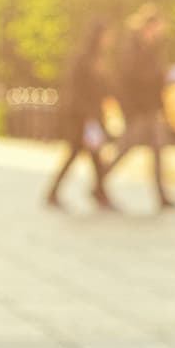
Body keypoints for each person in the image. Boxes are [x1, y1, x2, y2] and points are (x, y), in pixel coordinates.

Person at [102, 5, 175, 210]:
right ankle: (99, 181)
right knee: (125, 148)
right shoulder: (131, 48)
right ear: (148, 26)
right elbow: (128, 80)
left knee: (158, 150)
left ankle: (162, 196)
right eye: (158, 27)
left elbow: (155, 81)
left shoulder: (154, 48)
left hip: (151, 109)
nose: (160, 32)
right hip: (137, 109)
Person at [44, 21, 118, 211]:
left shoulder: (99, 58)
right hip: (82, 116)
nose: (110, 40)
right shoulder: (83, 59)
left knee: (90, 155)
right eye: (107, 35)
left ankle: (97, 193)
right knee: (82, 153)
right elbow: (77, 89)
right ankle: (98, 194)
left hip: (91, 115)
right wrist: (87, 115)